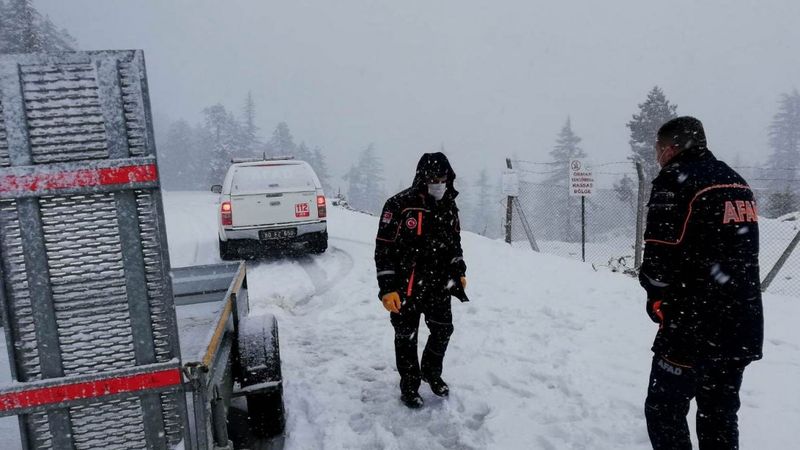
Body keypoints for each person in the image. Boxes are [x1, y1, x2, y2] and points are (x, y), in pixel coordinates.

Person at [639, 116, 764, 449]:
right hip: (741, 323)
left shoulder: (675, 181)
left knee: (664, 410)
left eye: (657, 149)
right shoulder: (735, 182)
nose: (657, 156)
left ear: (670, 148)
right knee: (719, 414)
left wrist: (658, 302)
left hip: (692, 325)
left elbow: (658, 261)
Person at [374, 152, 468, 409]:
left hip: (439, 285)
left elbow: (454, 243)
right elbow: (383, 248)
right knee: (406, 336)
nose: (438, 182)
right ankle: (409, 386)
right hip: (406, 287)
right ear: (421, 177)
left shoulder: (449, 205)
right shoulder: (399, 205)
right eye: (433, 177)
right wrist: (387, 289)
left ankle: (430, 371)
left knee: (443, 330)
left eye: (443, 177)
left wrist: (459, 269)